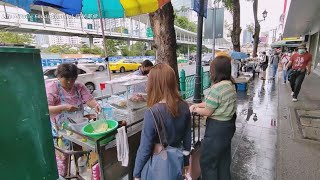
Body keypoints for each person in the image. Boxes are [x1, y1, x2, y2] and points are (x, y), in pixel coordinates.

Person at [133, 63, 191, 180]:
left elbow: (144, 148)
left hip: (159, 167)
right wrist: (185, 163)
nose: (146, 86)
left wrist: (136, 174)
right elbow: (187, 140)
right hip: (176, 160)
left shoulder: (152, 112)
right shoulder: (184, 106)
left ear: (154, 84)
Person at [45, 63, 101, 176]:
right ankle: (63, 175)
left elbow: (89, 100)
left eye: (73, 79)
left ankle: (80, 173)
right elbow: (46, 109)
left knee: (79, 153)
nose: (70, 83)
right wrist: (63, 107)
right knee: (63, 157)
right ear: (59, 77)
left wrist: (96, 106)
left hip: (78, 128)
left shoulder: (79, 87)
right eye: (67, 79)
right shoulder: (53, 88)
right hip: (61, 131)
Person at [189, 55, 237, 180]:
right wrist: (197, 105)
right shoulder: (230, 85)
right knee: (223, 160)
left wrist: (195, 109)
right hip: (228, 127)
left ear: (214, 72)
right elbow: (212, 103)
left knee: (208, 161)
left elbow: (208, 111)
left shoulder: (216, 89)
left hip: (217, 130)